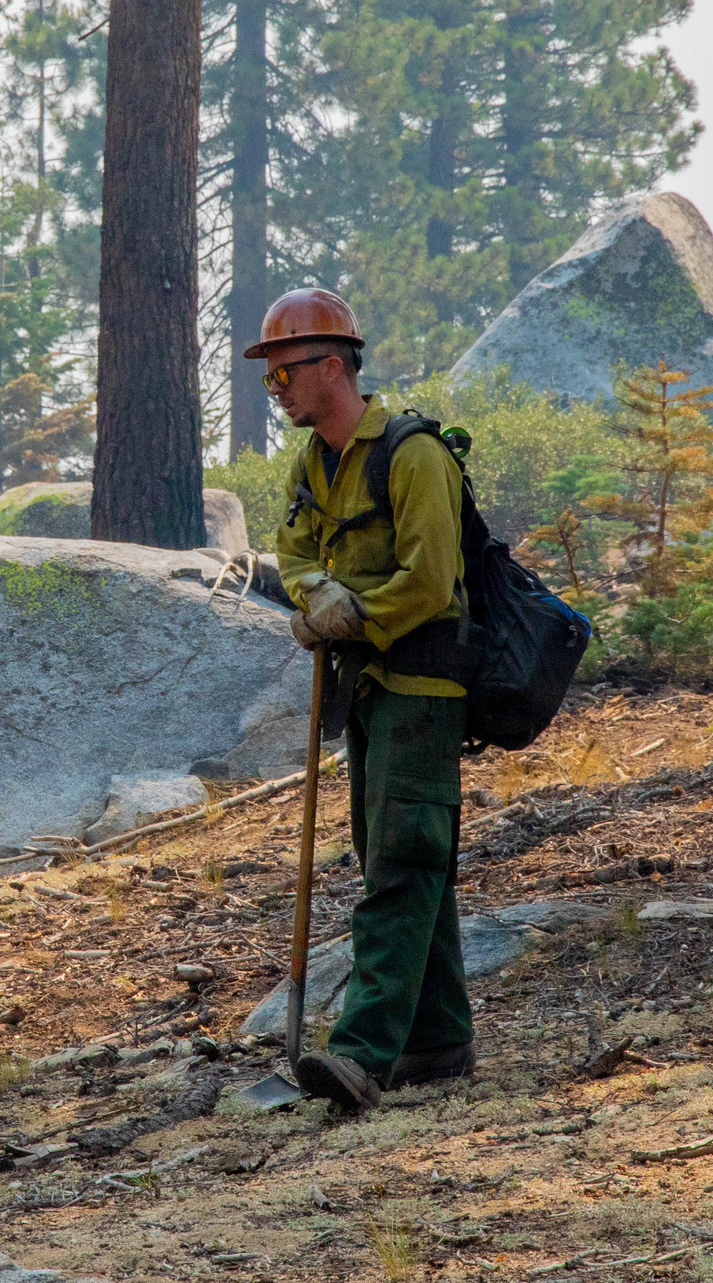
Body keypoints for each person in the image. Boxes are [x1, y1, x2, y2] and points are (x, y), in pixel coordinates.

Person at [254, 288, 475, 1115]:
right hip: (369, 689)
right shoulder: (313, 459)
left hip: (423, 686)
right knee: (407, 858)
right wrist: (317, 594)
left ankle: (362, 1051)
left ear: (335, 366)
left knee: (404, 858)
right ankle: (438, 1037)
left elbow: (429, 580)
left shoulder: (413, 455)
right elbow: (294, 546)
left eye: (285, 373)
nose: (276, 389)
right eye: (271, 377)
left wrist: (357, 613)